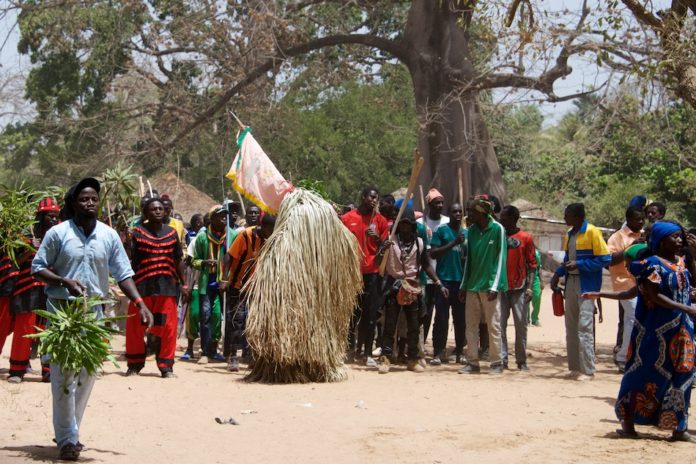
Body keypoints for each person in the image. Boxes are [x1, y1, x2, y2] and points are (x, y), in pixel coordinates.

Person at [32, 177, 153, 461]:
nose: (90, 203)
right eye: (84, 199)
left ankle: (70, 430)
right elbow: (37, 268)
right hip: (64, 312)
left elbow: (123, 273)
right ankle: (67, 439)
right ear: (74, 203)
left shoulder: (109, 236)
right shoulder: (58, 234)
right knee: (63, 375)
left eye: (94, 199)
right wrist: (63, 280)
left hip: (94, 313)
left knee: (87, 375)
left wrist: (140, 303)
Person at [583, 221, 696, 442]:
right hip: (655, 334)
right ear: (661, 241)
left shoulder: (681, 263)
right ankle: (628, 422)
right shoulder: (652, 265)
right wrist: (686, 307)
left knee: (683, 375)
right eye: (674, 237)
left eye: (680, 237)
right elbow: (652, 295)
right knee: (641, 374)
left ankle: (679, 427)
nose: (679, 241)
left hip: (683, 332)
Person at [377, 208, 447, 373]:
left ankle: (412, 359)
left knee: (414, 326)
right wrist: (382, 250)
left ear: (413, 226)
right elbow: (378, 263)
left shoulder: (419, 243)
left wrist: (438, 283)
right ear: (398, 225)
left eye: (408, 225)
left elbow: (427, 265)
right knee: (390, 325)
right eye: (402, 224)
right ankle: (385, 359)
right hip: (394, 287)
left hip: (412, 288)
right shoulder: (389, 240)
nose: (405, 228)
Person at [126, 197, 189, 378]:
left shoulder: (171, 233)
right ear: (146, 213)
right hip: (142, 286)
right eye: (153, 209)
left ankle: (166, 366)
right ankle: (134, 365)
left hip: (167, 287)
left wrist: (183, 283)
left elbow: (178, 260)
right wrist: (127, 241)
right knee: (135, 327)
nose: (158, 211)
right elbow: (130, 258)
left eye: (160, 209)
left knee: (168, 328)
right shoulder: (137, 233)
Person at [550, 203, 610, 381]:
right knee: (571, 327)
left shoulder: (592, 232)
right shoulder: (569, 234)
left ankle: (588, 370)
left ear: (578, 216)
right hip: (570, 284)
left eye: (568, 215)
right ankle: (575, 368)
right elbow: (568, 259)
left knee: (584, 327)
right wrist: (557, 273)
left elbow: (604, 259)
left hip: (587, 285)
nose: (565, 218)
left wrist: (580, 264)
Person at [7, 197, 60, 383]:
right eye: (49, 217)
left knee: (49, 329)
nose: (53, 220)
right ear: (40, 217)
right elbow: (15, 262)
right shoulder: (27, 236)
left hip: (51, 289)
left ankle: (48, 370)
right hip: (27, 289)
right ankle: (17, 369)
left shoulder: (61, 236)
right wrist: (30, 249)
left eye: (55, 217)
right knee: (25, 328)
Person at [458, 196, 507, 374]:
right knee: (470, 326)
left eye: (471, 211)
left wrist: (495, 286)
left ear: (481, 213)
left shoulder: (497, 229)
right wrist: (464, 285)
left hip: (490, 287)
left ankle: (496, 363)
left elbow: (501, 258)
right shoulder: (470, 231)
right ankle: (472, 362)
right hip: (472, 285)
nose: (468, 214)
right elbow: (469, 260)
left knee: (493, 325)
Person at [221, 213, 276, 371]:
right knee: (236, 321)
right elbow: (228, 257)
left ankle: (252, 355)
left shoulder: (270, 240)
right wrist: (225, 279)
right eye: (270, 229)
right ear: (264, 227)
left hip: (257, 287)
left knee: (254, 321)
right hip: (238, 285)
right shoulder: (246, 235)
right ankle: (232, 355)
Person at [340, 186, 389, 365]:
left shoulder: (380, 221)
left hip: (372, 274)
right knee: (352, 314)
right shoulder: (347, 218)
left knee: (370, 315)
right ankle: (349, 350)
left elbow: (386, 246)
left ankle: (367, 353)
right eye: (371, 197)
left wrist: (377, 239)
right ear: (363, 197)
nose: (374, 201)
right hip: (352, 274)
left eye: (376, 198)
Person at [498, 205, 536, 371]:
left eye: (504, 218)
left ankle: (521, 360)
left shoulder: (526, 238)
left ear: (513, 219)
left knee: (521, 326)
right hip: (501, 288)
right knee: (499, 326)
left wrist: (529, 288)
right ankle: (502, 359)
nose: (501, 220)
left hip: (519, 288)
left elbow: (532, 265)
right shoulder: (498, 235)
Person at [607, 206, 645, 372]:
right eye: (638, 219)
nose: (641, 221)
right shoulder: (617, 237)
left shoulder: (645, 235)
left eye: (643, 218)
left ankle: (635, 356)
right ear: (628, 219)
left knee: (640, 320)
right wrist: (630, 248)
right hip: (624, 283)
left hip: (643, 284)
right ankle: (623, 357)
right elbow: (609, 261)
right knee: (631, 318)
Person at [429, 203, 467, 365]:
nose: (457, 214)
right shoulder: (441, 231)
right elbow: (433, 253)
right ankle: (438, 352)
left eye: (460, 211)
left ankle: (459, 352)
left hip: (460, 283)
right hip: (444, 281)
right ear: (449, 214)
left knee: (460, 320)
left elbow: (468, 260)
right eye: (454, 211)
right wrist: (453, 243)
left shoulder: (466, 234)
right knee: (441, 319)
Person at [191, 205, 228, 363]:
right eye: (220, 216)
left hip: (222, 283)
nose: (224, 219)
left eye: (225, 216)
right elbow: (193, 260)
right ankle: (205, 353)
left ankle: (214, 348)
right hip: (207, 283)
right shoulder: (202, 237)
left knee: (217, 316)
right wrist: (204, 262)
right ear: (212, 219)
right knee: (205, 316)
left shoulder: (230, 237)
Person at [417, 188, 449, 345]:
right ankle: (421, 345)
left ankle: (439, 347)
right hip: (425, 275)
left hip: (443, 274)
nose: (440, 205)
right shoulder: (419, 224)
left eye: (442, 203)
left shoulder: (447, 223)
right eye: (437, 203)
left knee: (442, 315)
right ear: (429, 204)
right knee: (425, 312)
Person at [528, 248, 543, 326]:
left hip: (535, 278)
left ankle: (535, 318)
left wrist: (541, 281)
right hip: (524, 277)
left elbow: (539, 267)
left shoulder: (536, 253)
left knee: (537, 296)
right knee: (525, 299)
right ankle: (526, 319)